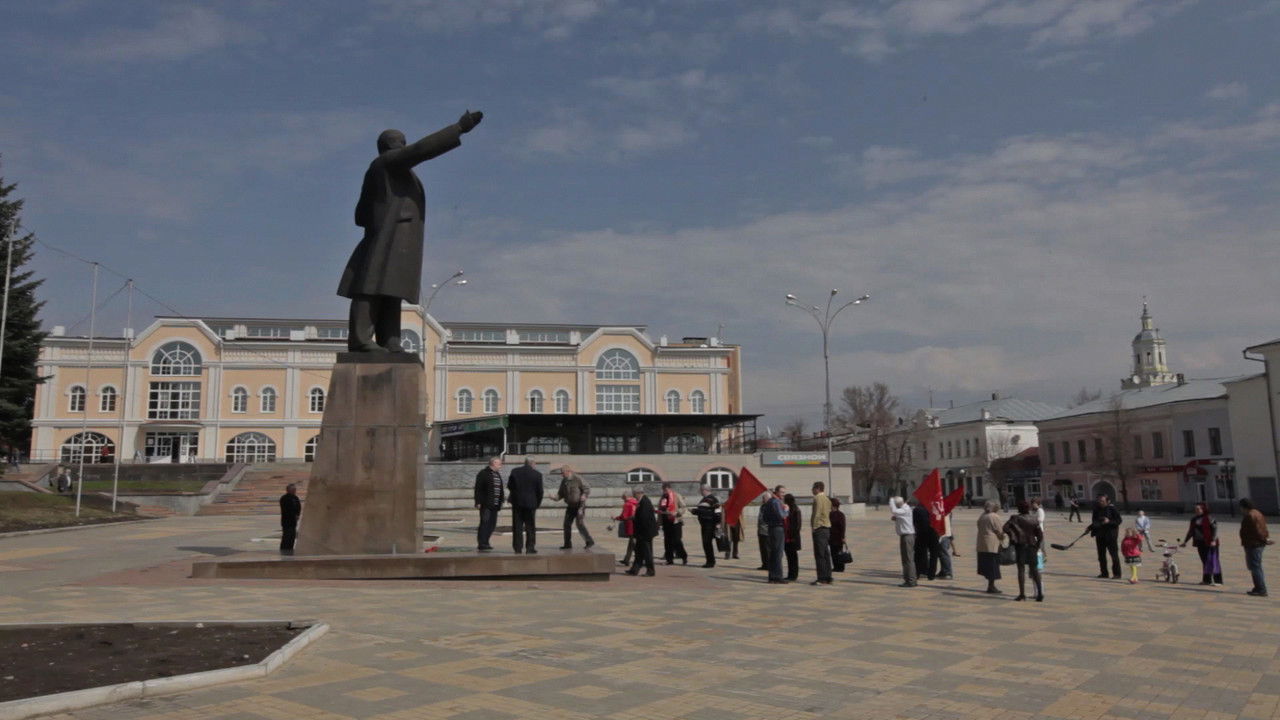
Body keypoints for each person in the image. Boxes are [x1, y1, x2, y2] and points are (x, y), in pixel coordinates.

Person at [338, 110, 483, 352]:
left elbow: (360, 213)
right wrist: (458, 128)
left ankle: (390, 338)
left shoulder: (385, 170)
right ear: (391, 146)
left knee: (391, 285)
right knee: (371, 284)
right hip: (388, 233)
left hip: (392, 234)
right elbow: (420, 150)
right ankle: (361, 338)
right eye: (400, 142)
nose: (403, 146)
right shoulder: (386, 162)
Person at [1003, 500, 1044, 601]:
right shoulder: (1034, 519)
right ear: (1028, 508)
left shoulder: (1015, 518)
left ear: (1019, 509)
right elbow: (1040, 535)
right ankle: (1040, 593)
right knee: (1034, 570)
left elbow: (1005, 528)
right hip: (1032, 546)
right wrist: (1037, 545)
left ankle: (1022, 594)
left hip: (1020, 546)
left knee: (1021, 569)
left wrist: (1013, 535)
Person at [507, 457, 543, 554]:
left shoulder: (515, 471)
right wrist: (537, 503)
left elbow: (510, 486)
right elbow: (540, 491)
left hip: (517, 503)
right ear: (532, 463)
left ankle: (517, 548)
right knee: (530, 526)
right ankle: (530, 547)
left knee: (517, 526)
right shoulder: (537, 474)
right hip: (531, 504)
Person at [1181, 502, 1223, 586]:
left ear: (1203, 509)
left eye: (1198, 509)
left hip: (1211, 543)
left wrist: (1213, 540)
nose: (1196, 511)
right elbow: (1191, 532)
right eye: (1195, 509)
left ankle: (1218, 581)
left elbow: (1214, 529)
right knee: (1205, 561)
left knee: (1214, 561)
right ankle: (1207, 580)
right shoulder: (1194, 519)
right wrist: (1185, 541)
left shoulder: (1209, 518)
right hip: (1200, 543)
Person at [554, 464, 594, 550]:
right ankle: (567, 544)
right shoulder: (564, 481)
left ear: (568, 471)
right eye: (561, 473)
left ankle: (589, 541)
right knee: (566, 524)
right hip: (570, 506)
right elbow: (560, 493)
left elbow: (587, 488)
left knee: (579, 524)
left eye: (563, 473)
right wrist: (555, 498)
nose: (562, 475)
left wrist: (584, 495)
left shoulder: (577, 478)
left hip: (580, 505)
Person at [1239, 498, 1271, 597]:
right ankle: (1258, 587)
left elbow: (1258, 531)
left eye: (1240, 507)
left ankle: (1261, 589)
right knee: (1256, 566)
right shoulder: (1257, 513)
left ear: (1244, 507)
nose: (1240, 509)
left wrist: (1263, 539)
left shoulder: (1250, 516)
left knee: (1255, 567)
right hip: (1256, 543)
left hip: (1253, 544)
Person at [473, 457, 504, 552]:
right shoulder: (483, 473)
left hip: (495, 505)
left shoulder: (497, 474)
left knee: (492, 525)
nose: (501, 465)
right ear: (493, 463)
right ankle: (482, 544)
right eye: (499, 463)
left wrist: (501, 501)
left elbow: (500, 489)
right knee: (485, 524)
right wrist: (478, 502)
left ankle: (486, 542)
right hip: (486, 505)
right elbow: (478, 489)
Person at [625, 488, 658, 576]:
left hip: (645, 532)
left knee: (647, 552)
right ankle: (634, 570)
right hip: (642, 532)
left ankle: (650, 571)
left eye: (634, 494)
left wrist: (634, 518)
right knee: (638, 551)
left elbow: (644, 518)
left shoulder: (645, 502)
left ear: (639, 493)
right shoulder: (642, 501)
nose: (634, 496)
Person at [976, 500, 1005, 594]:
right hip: (992, 545)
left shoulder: (982, 516)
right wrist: (1003, 538)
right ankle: (991, 586)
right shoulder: (994, 516)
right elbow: (1000, 531)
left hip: (982, 544)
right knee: (993, 566)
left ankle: (990, 585)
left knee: (987, 565)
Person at [1091, 494, 1122, 579]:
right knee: (1101, 556)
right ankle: (1104, 573)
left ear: (1108, 501)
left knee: (1114, 555)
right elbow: (1095, 521)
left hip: (1111, 536)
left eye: (1102, 501)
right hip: (1100, 535)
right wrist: (1090, 528)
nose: (1100, 502)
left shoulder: (1112, 509)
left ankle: (1117, 574)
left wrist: (1109, 521)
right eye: (1099, 501)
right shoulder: (1096, 509)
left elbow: (1118, 521)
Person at [888, 496, 917, 587]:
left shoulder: (905, 509)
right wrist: (897, 519)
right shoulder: (905, 509)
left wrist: (891, 500)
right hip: (906, 536)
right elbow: (899, 516)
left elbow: (894, 511)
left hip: (907, 536)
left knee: (908, 559)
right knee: (906, 559)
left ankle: (911, 580)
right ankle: (909, 579)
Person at [762, 485, 788, 583]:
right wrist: (786, 510)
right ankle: (778, 577)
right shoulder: (776, 502)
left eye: (784, 493)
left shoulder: (769, 502)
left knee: (773, 553)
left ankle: (772, 576)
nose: (783, 495)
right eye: (782, 492)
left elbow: (764, 517)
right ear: (776, 492)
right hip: (778, 529)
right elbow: (782, 516)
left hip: (771, 528)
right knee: (778, 553)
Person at [658, 482, 688, 565]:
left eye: (666, 489)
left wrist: (677, 512)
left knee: (677, 540)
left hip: (676, 521)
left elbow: (683, 507)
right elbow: (660, 509)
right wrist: (659, 522)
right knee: (667, 541)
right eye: (663, 489)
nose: (664, 491)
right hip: (666, 521)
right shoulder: (663, 497)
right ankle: (669, 559)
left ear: (670, 488)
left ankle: (683, 556)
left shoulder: (676, 496)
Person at [692, 485, 722, 568]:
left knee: (707, 543)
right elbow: (702, 510)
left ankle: (710, 562)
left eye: (701, 490)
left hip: (710, 524)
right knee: (706, 544)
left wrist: (718, 523)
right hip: (704, 525)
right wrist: (694, 511)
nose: (700, 492)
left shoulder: (713, 499)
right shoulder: (704, 499)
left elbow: (718, 511)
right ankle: (710, 560)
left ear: (705, 490)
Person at [810, 482, 833, 585]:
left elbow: (817, 513)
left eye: (813, 488)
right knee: (825, 554)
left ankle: (822, 578)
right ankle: (828, 576)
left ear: (818, 488)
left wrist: (814, 527)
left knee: (819, 554)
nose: (812, 490)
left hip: (819, 528)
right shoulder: (827, 499)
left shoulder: (818, 498)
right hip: (826, 528)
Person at [912, 499, 940, 581]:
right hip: (934, 533)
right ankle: (931, 575)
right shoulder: (936, 508)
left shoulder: (917, 509)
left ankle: (917, 573)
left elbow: (914, 522)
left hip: (921, 533)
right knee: (934, 555)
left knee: (919, 554)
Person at [614, 490, 638, 566]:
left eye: (623, 498)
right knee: (631, 543)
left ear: (626, 497)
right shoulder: (636, 502)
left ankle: (640, 559)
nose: (623, 500)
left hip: (630, 525)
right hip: (636, 525)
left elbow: (624, 516)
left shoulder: (627, 504)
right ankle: (627, 559)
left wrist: (616, 518)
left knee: (633, 543)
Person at [783, 493, 802, 582]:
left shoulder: (795, 509)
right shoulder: (789, 509)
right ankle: (790, 574)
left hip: (792, 538)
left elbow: (797, 525)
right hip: (787, 537)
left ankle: (793, 575)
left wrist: (793, 535)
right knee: (789, 557)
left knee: (793, 557)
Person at [279, 483, 302, 555]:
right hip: (287, 521)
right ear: (288, 490)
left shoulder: (295, 498)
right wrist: (293, 515)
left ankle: (290, 549)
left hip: (293, 521)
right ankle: (284, 550)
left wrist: (297, 515)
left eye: (295, 489)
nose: (295, 491)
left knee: (292, 536)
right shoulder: (284, 498)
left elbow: (298, 506)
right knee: (286, 536)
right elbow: (286, 509)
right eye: (293, 489)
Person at [829, 496, 847, 573]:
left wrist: (843, 537)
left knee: (839, 552)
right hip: (831, 536)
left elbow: (843, 526)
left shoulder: (840, 514)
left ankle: (841, 567)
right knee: (833, 552)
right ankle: (836, 566)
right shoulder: (829, 514)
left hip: (838, 536)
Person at [756, 492, 772, 571]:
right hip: (760, 531)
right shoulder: (762, 506)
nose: (762, 500)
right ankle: (764, 564)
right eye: (762, 498)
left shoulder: (771, 506)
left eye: (764, 498)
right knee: (762, 549)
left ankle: (769, 565)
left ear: (768, 499)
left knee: (767, 549)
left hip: (767, 531)